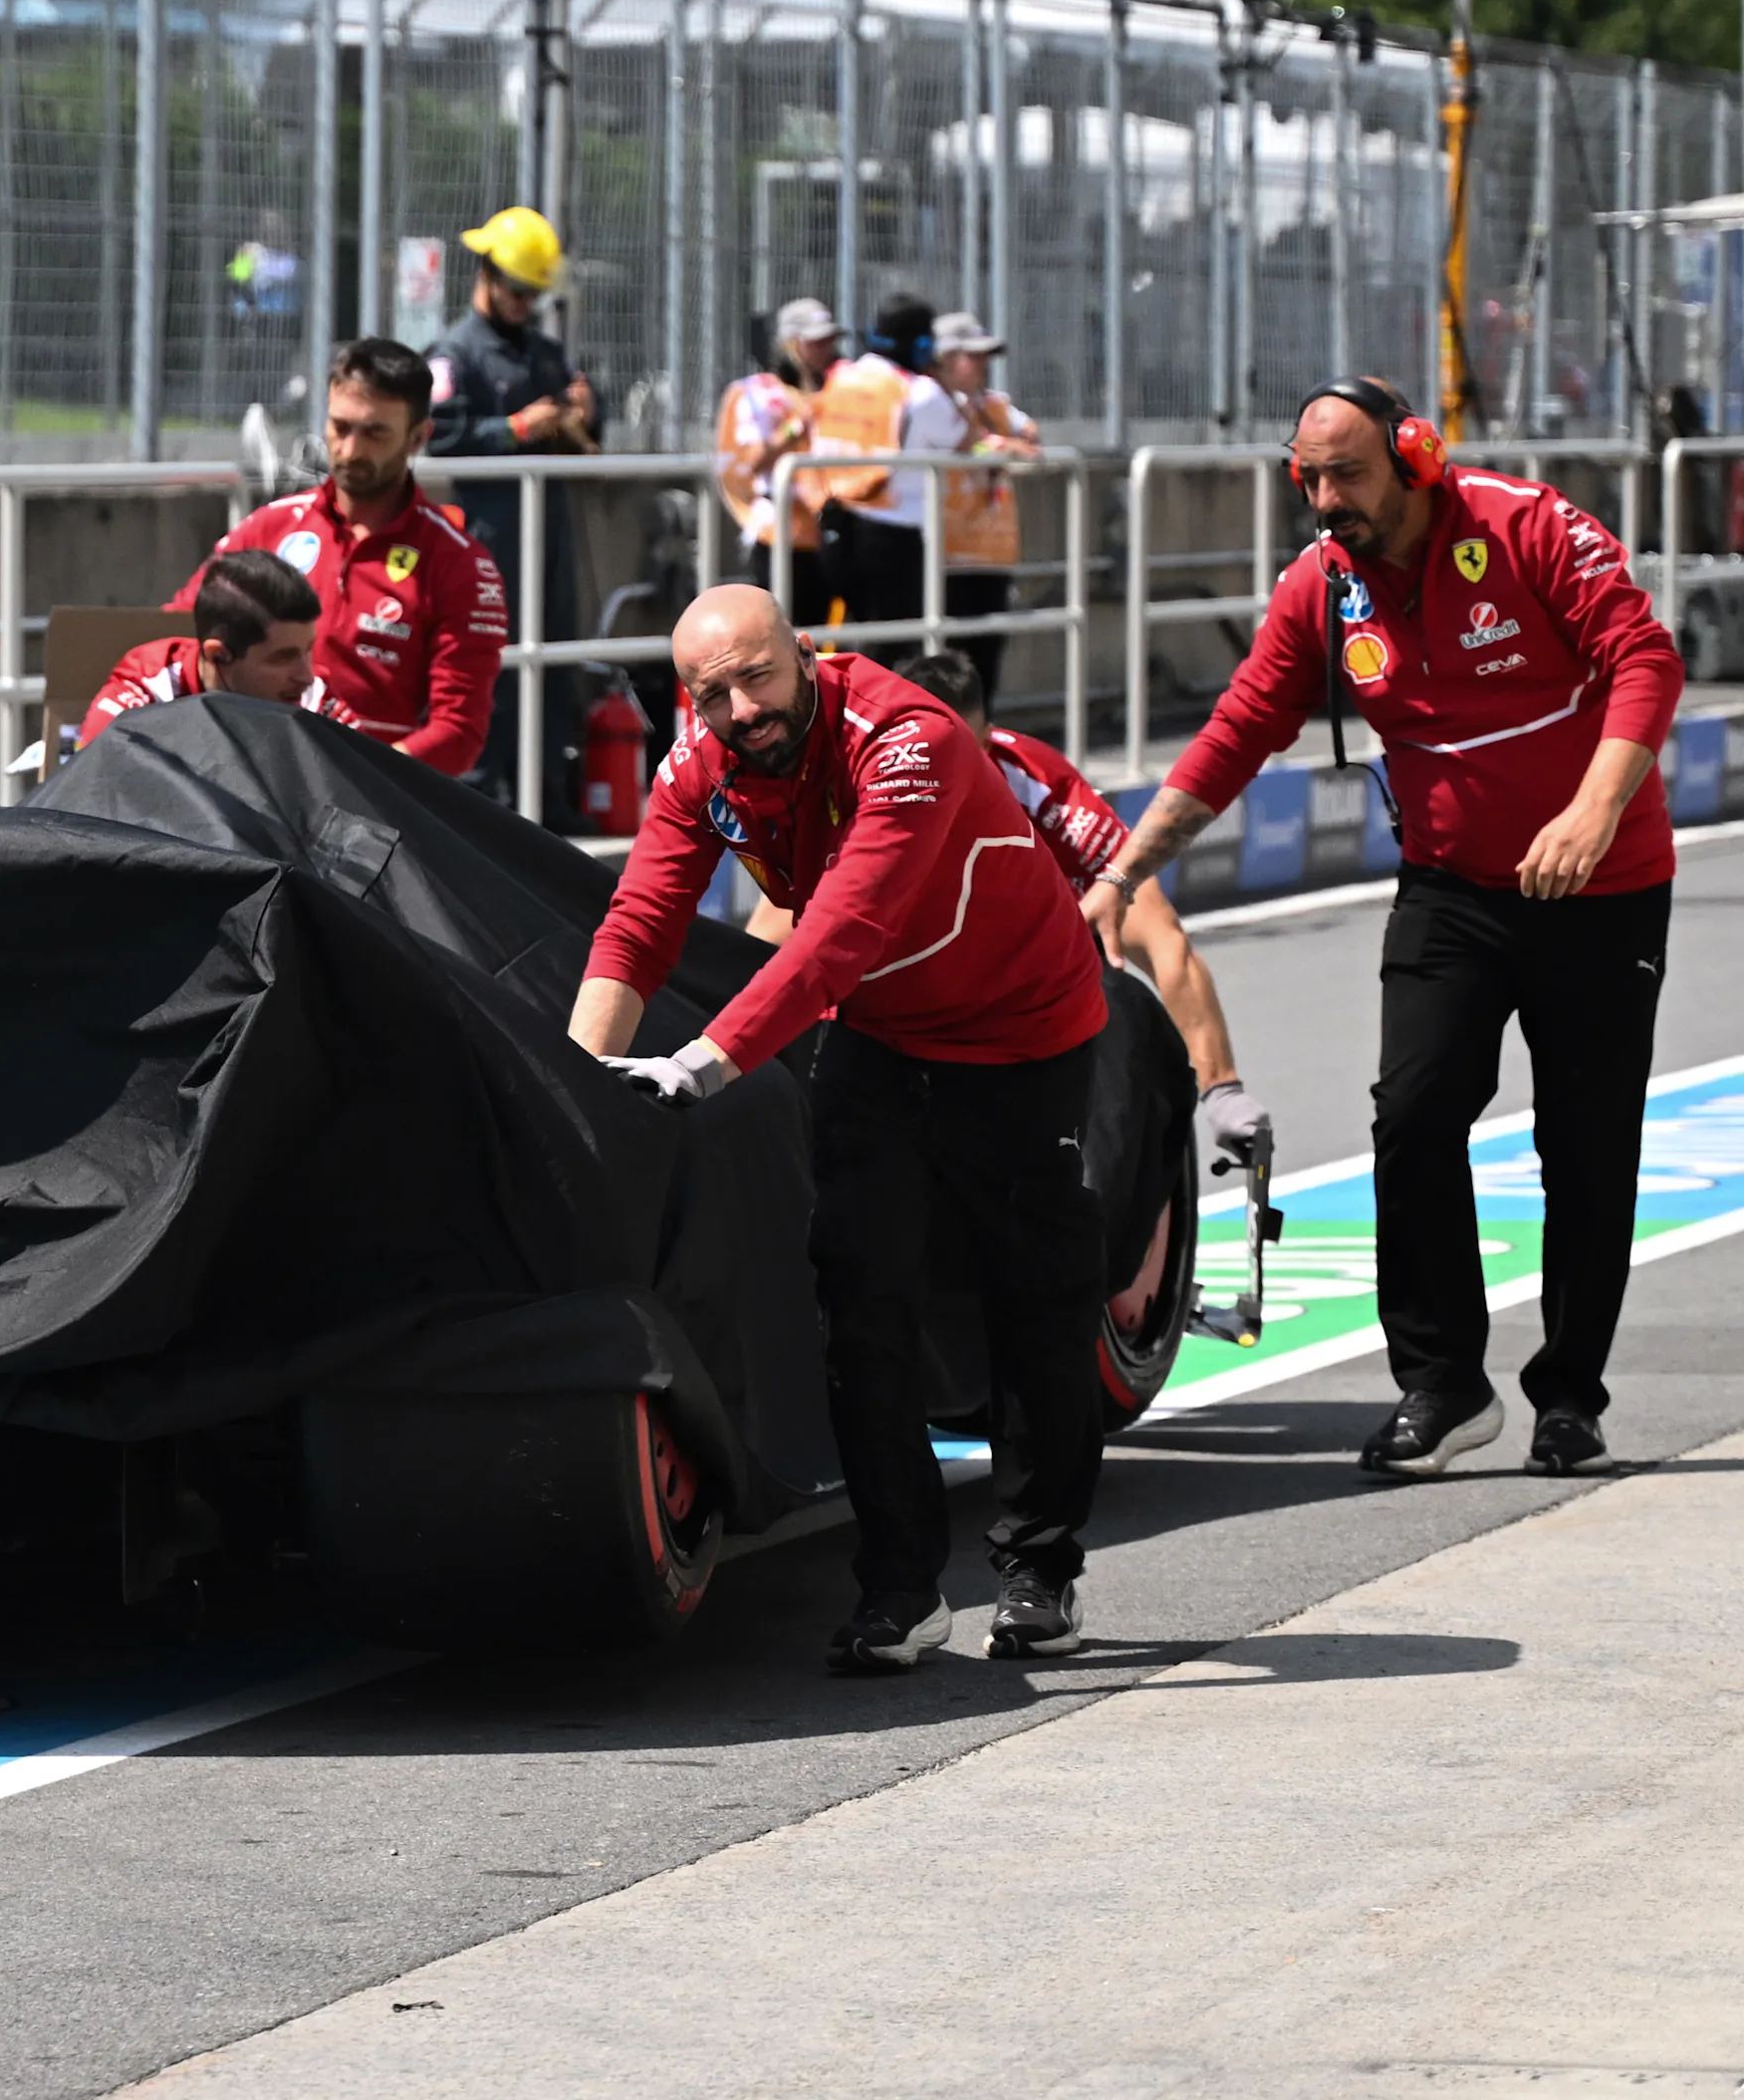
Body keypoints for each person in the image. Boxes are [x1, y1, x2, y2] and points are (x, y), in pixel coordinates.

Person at [1090, 378, 1683, 1482]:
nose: (1323, 499)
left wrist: (1590, 810)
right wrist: (1122, 870)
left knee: (1585, 1145)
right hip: (1448, 889)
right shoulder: (1322, 585)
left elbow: (1644, 662)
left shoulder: (1528, 527)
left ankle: (1568, 1397)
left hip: (1601, 887)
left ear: (1413, 456)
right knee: (1409, 1116)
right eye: (1306, 477)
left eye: (1345, 474)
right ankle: (1442, 1385)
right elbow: (1236, 730)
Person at [574, 584, 1112, 1675]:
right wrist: (571, 1075)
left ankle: (1038, 1577)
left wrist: (698, 1064)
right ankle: (899, 1589)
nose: (738, 711)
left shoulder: (908, 739)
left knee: (1033, 1306)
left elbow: (838, 934)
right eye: (708, 694)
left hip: (1024, 1036)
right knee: (859, 1300)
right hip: (883, 1039)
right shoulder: (700, 763)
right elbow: (637, 922)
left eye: (755, 678)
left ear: (804, 655)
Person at [742, 652, 1270, 1158]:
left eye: (960, 754)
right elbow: (768, 944)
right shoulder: (854, 783)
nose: (946, 776)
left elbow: (1160, 935)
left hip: (1019, 1020)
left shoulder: (1037, 783)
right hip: (888, 1018)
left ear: (988, 741)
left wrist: (1221, 1088)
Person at [180, 337, 509, 779]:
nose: (351, 450)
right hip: (248, 779)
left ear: (417, 438)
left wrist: (354, 780)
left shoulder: (460, 563)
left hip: (373, 802)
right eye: (340, 427)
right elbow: (176, 636)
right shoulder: (269, 528)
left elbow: (458, 731)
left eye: (375, 433)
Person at [428, 205, 590, 803]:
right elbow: (441, 434)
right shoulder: (455, 353)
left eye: (533, 295)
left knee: (556, 657)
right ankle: (482, 797)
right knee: (493, 663)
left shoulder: (543, 354)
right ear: (487, 274)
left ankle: (549, 794)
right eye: (517, 291)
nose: (525, 304)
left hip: (550, 530)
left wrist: (582, 413)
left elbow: (588, 434)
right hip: (491, 533)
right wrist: (517, 429)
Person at [74, 549, 357, 752]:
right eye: (283, 657)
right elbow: (93, 791)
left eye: (308, 650)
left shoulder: (314, 697)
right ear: (217, 656)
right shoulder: (147, 692)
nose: (306, 675)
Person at [806, 294, 970, 629]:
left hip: (836, 524)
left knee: (857, 639)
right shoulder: (919, 390)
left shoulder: (841, 378)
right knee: (897, 645)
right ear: (922, 346)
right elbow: (965, 440)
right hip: (895, 535)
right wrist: (944, 381)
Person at [931, 311, 1044, 693]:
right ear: (945, 358)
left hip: (993, 552)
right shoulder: (933, 402)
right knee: (948, 663)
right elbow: (967, 443)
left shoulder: (993, 404)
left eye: (985, 357)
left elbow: (1029, 435)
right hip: (948, 553)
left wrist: (1001, 440)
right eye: (972, 355)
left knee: (986, 662)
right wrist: (999, 444)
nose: (982, 365)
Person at [714, 298, 843, 628]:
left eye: (830, 341)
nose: (826, 349)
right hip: (778, 531)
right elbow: (748, 461)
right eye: (816, 342)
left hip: (830, 528)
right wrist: (793, 428)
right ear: (791, 345)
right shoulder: (755, 394)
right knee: (784, 628)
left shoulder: (837, 390)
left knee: (822, 628)